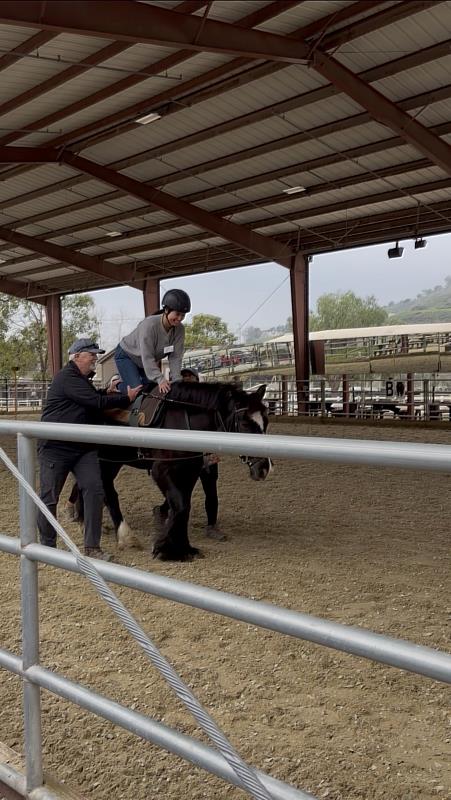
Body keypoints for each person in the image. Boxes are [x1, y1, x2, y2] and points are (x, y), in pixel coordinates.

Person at [37, 338, 142, 560]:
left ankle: (92, 547)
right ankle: (47, 546)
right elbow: (93, 402)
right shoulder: (67, 377)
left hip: (82, 447)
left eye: (95, 354)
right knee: (49, 497)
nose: (95, 357)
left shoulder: (80, 379)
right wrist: (126, 398)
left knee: (94, 490)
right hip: (56, 446)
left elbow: (92, 398)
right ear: (76, 357)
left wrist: (107, 391)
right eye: (91, 354)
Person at [156, 365, 225, 541]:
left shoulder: (208, 405)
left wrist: (214, 450)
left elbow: (217, 428)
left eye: (190, 377)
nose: (187, 380)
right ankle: (164, 511)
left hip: (206, 454)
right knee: (182, 489)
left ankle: (212, 525)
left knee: (210, 490)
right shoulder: (174, 405)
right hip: (186, 455)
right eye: (184, 378)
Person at [114, 288, 191, 396]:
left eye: (183, 315)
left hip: (143, 361)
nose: (180, 318)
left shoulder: (180, 329)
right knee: (137, 391)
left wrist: (177, 380)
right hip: (127, 355)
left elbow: (175, 357)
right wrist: (160, 379)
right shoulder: (149, 325)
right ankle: (116, 385)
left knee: (151, 391)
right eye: (177, 314)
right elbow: (148, 356)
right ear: (166, 310)